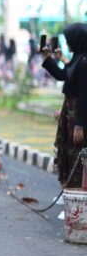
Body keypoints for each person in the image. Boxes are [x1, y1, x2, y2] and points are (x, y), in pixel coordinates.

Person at [41, 23, 87, 188]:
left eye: (69, 40)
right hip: (70, 115)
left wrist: (80, 125)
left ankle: (79, 199)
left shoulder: (84, 62)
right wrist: (48, 58)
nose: (66, 44)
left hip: (78, 118)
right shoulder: (77, 59)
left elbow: (84, 95)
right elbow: (62, 75)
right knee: (69, 154)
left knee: (78, 155)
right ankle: (72, 197)